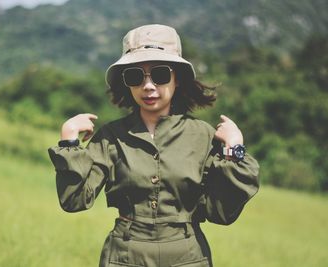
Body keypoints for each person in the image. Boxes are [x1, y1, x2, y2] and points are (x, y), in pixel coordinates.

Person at [48, 24, 259, 267]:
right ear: (126, 82)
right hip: (125, 257)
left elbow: (222, 213)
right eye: (136, 76)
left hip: (188, 257)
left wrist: (234, 151)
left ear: (177, 78)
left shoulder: (202, 136)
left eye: (160, 75)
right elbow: (74, 201)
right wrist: (69, 143)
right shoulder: (111, 136)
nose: (148, 86)